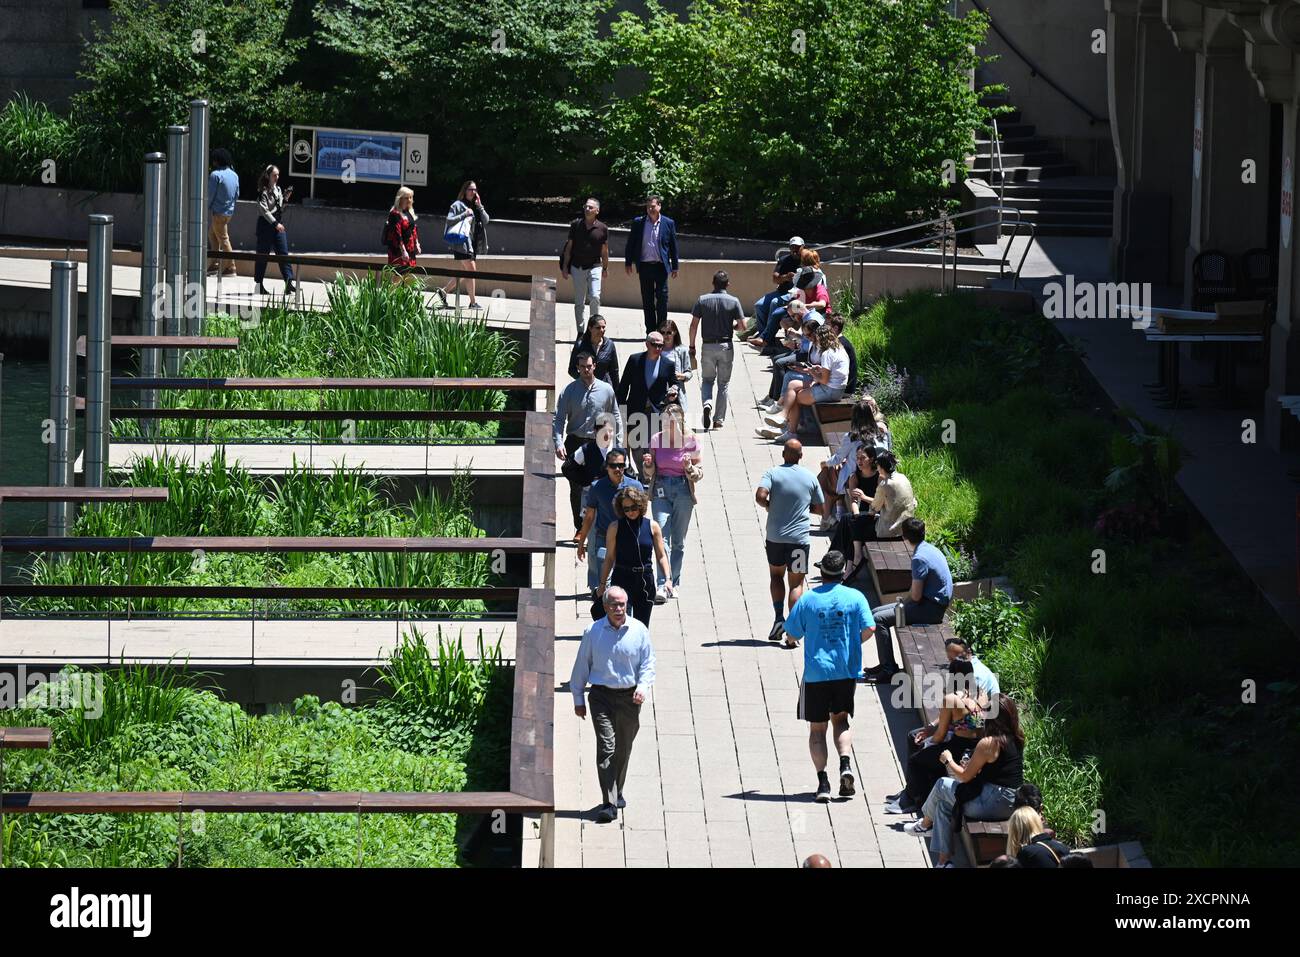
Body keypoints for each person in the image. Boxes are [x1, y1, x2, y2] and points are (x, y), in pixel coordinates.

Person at [782, 550, 875, 803]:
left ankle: (823, 782)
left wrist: (791, 639)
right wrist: (852, 644)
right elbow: (870, 627)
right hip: (845, 671)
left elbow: (792, 633)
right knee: (841, 722)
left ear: (821, 572)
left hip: (816, 674)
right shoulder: (856, 597)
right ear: (844, 571)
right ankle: (845, 764)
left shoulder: (808, 600)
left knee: (817, 730)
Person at [904, 693, 1025, 868]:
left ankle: (925, 823)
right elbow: (999, 769)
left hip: (993, 802)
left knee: (942, 785)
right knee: (944, 805)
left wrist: (948, 760)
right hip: (1010, 799)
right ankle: (944, 862)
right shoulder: (1016, 738)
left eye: (984, 711)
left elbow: (965, 776)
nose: (981, 714)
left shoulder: (989, 743)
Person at [571, 585, 656, 823]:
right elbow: (582, 665)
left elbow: (648, 664)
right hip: (601, 697)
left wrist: (642, 687)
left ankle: (618, 788)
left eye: (622, 604)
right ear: (605, 606)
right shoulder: (593, 632)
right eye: (614, 605)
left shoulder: (639, 630)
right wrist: (578, 698)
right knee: (607, 747)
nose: (619, 609)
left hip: (630, 698)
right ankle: (608, 802)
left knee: (623, 748)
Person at [885, 658, 988, 815]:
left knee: (916, 760)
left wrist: (927, 745)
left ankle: (913, 800)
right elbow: (970, 721)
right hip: (976, 745)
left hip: (958, 747)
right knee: (920, 747)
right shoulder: (981, 693)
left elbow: (940, 735)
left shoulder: (952, 699)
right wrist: (930, 730)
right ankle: (913, 792)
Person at [863, 518, 952, 683]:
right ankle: (885, 663)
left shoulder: (919, 559)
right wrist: (902, 603)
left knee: (878, 619)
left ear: (904, 537)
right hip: (931, 604)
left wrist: (903, 603)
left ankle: (889, 670)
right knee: (875, 612)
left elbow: (916, 596)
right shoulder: (930, 548)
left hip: (929, 611)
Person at [756, 438, 825, 646]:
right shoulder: (810, 477)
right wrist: (806, 509)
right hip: (799, 539)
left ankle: (778, 618)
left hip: (775, 537)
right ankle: (792, 632)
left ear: (783, 454)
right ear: (801, 456)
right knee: (796, 583)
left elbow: (760, 496)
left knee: (776, 575)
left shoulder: (772, 473)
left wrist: (769, 505)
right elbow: (821, 509)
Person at [554, 352, 622, 529]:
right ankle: (580, 527)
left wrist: (619, 444)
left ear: (594, 366)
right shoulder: (569, 391)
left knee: (600, 484)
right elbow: (559, 418)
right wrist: (559, 442)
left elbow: (615, 416)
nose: (586, 369)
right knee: (576, 487)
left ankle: (601, 522)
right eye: (582, 367)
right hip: (575, 441)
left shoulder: (606, 390)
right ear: (577, 368)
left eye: (589, 366)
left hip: (599, 443)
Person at [641, 403, 701, 601]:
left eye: (672, 420)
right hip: (661, 490)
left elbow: (699, 473)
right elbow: (649, 473)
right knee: (661, 538)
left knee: (678, 542)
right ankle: (662, 584)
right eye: (666, 420)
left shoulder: (691, 440)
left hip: (683, 490)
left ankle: (674, 582)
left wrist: (688, 467)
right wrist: (648, 465)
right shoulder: (657, 439)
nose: (669, 424)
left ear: (681, 420)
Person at [758, 323, 850, 443]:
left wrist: (812, 372)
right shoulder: (839, 349)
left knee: (795, 397)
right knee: (793, 385)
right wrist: (813, 370)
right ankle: (784, 418)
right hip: (835, 388)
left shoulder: (827, 353)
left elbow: (824, 380)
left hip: (830, 390)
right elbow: (829, 373)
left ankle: (790, 430)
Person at [597, 487, 673, 625]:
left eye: (633, 507)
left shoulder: (652, 526)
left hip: (645, 580)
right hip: (622, 577)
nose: (630, 512)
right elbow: (609, 558)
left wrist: (667, 579)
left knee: (642, 627)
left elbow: (661, 555)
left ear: (641, 505)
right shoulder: (615, 527)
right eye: (626, 509)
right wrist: (602, 584)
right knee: (620, 625)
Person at [575, 448, 643, 597]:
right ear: (607, 467)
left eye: (621, 465)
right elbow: (589, 516)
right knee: (604, 579)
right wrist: (582, 543)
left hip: (627, 537)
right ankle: (603, 606)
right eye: (613, 465)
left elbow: (641, 514)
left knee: (624, 580)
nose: (617, 469)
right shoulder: (597, 487)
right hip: (603, 537)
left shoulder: (635, 486)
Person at [842, 450, 917, 577]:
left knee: (855, 525)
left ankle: (855, 560)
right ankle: (853, 562)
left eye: (877, 466)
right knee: (856, 523)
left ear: (881, 467)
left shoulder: (884, 484)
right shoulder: (903, 477)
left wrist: (863, 498)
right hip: (904, 525)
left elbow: (874, 508)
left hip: (889, 530)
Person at [815, 399, 886, 532]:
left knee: (829, 473)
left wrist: (824, 463)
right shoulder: (881, 434)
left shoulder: (851, 437)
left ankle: (827, 518)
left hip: (857, 474)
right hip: (876, 472)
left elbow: (838, 458)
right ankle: (835, 513)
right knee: (836, 471)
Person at [688, 270, 746, 430]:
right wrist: (733, 326)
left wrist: (691, 346)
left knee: (707, 380)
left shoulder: (702, 300)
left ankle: (707, 403)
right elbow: (743, 327)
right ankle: (718, 420)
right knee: (723, 383)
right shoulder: (734, 301)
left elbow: (693, 325)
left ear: (713, 283)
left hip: (707, 345)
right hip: (726, 345)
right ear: (728, 284)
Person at [616, 330, 678, 474]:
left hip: (656, 410)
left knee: (651, 444)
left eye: (661, 346)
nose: (658, 348)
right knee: (636, 444)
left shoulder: (668, 364)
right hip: (635, 409)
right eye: (654, 345)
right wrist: (620, 409)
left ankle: (647, 475)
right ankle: (641, 471)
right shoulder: (635, 360)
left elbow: (675, 383)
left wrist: (674, 390)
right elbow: (624, 385)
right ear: (647, 344)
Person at [623, 195, 679, 333]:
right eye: (648, 207)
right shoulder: (638, 222)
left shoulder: (668, 223)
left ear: (659, 206)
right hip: (645, 266)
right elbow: (631, 243)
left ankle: (661, 330)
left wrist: (675, 266)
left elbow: (673, 245)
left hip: (661, 267)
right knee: (647, 300)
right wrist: (628, 262)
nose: (650, 209)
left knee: (662, 300)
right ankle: (650, 331)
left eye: (653, 206)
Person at [560, 197, 610, 335]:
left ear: (597, 211)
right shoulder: (576, 225)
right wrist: (565, 267)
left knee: (595, 297)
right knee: (579, 301)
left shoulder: (602, 228)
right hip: (577, 267)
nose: (587, 209)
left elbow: (604, 251)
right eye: (586, 207)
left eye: (590, 207)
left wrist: (605, 268)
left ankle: (593, 329)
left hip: (595, 266)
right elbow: (569, 247)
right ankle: (581, 332)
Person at [741, 236, 805, 341]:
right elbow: (775, 279)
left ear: (803, 247)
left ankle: (767, 337)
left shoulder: (806, 260)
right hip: (782, 291)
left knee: (775, 302)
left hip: (797, 294)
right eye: (792, 247)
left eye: (797, 247)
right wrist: (786, 277)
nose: (795, 249)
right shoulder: (784, 260)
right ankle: (763, 334)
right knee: (759, 305)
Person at [439, 180, 489, 310]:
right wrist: (464, 214)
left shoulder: (476, 206)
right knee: (471, 271)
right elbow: (449, 220)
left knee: (465, 271)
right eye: (471, 189)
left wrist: (480, 206)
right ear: (464, 190)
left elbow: (486, 220)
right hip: (462, 243)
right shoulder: (457, 205)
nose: (473, 192)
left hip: (473, 244)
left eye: (475, 190)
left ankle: (444, 291)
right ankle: (472, 302)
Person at [253, 164, 296, 296]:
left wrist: (286, 198)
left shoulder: (278, 189)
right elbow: (264, 211)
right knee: (262, 256)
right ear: (268, 176)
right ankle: (259, 285)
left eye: (278, 175)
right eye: (274, 175)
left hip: (277, 224)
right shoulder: (263, 191)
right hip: (266, 226)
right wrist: (275, 223)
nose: (277, 177)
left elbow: (280, 208)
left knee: (283, 253)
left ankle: (289, 282)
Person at [567, 314, 620, 392]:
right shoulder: (580, 345)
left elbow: (614, 371)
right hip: (585, 388)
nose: (602, 330)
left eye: (603, 327)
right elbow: (572, 370)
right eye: (598, 328)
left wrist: (617, 394)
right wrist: (584, 379)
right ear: (590, 328)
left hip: (604, 388)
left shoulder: (609, 345)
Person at [207, 148, 238, 277]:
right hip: (228, 213)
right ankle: (214, 264)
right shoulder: (234, 175)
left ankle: (231, 267)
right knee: (212, 235)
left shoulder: (215, 175)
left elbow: (210, 195)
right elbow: (237, 194)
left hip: (218, 213)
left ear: (217, 160)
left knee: (224, 239)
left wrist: (206, 207)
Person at [658, 320, 693, 413]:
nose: (665, 336)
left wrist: (681, 376)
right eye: (662, 332)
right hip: (659, 391)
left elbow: (689, 372)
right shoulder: (656, 348)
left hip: (676, 392)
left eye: (669, 332)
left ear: (675, 333)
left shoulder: (682, 350)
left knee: (677, 424)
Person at [384, 186, 421, 272]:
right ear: (400, 199)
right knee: (398, 274)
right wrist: (403, 251)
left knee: (408, 274)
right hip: (398, 250)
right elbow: (397, 234)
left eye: (411, 197)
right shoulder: (395, 214)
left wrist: (417, 244)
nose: (409, 200)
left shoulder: (409, 212)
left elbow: (414, 229)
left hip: (410, 248)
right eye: (406, 198)